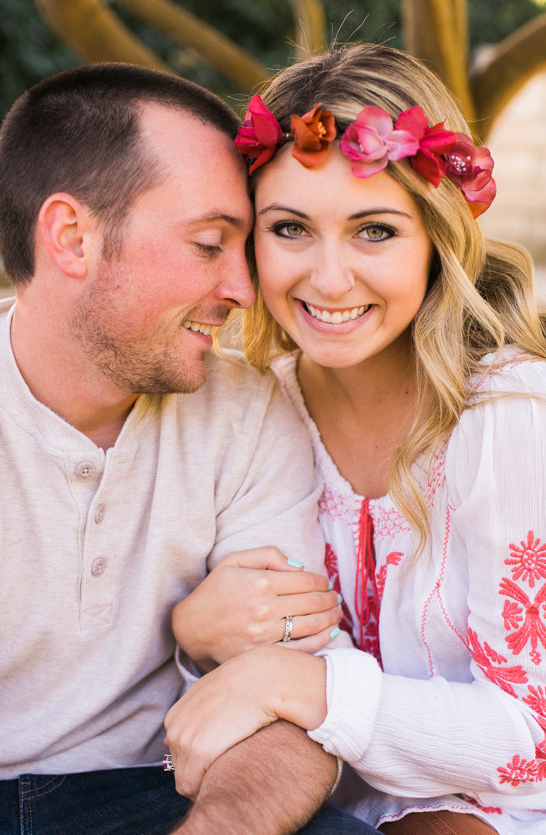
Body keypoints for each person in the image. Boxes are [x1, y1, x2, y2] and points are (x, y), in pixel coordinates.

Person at [0, 61, 382, 835]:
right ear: (72, 237)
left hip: (160, 795)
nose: (244, 287)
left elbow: (293, 705)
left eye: (248, 246)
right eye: (208, 244)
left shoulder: (248, 412)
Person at [166, 43, 546, 835]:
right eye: (292, 228)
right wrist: (196, 638)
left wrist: (302, 686)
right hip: (316, 799)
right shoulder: (247, 410)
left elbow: (530, 739)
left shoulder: (506, 416)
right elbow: (218, 699)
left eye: (374, 231)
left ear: (437, 238)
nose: (330, 279)